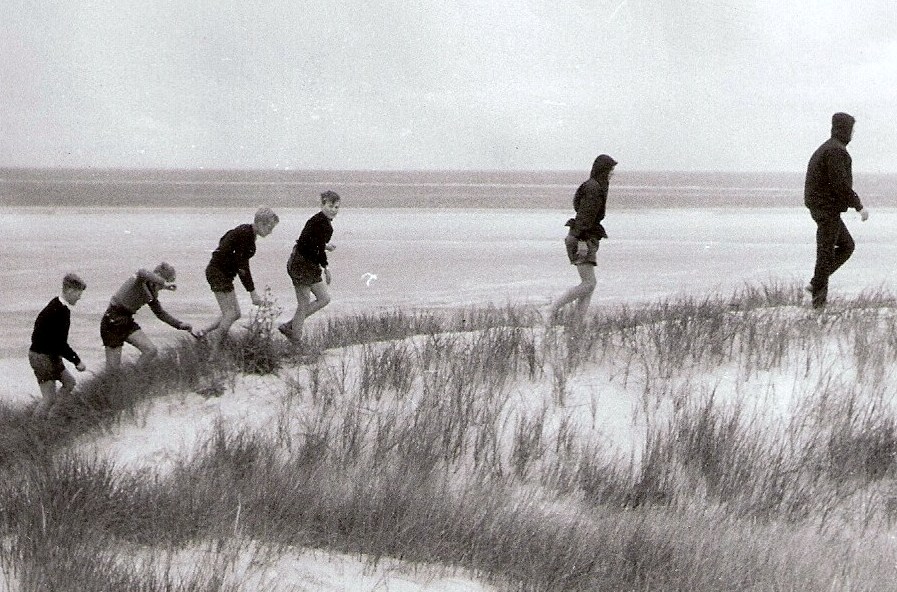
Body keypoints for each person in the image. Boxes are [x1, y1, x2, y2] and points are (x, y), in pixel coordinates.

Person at [804, 112, 869, 309]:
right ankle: (818, 304)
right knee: (825, 254)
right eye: (851, 130)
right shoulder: (835, 151)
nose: (853, 134)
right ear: (844, 129)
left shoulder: (829, 147)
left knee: (846, 246)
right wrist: (859, 206)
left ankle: (816, 283)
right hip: (826, 208)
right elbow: (839, 184)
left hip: (822, 207)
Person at [548, 154, 617, 325]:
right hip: (581, 237)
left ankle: (576, 323)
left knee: (589, 285)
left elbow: (578, 207)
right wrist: (581, 241)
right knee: (588, 283)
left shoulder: (595, 186)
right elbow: (584, 216)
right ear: (603, 170)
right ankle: (552, 309)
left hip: (585, 236)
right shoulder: (593, 188)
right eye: (610, 170)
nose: (612, 173)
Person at [199, 207, 279, 348]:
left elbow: (224, 241)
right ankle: (214, 351)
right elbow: (242, 266)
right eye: (270, 227)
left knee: (235, 313)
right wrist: (252, 293)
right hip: (218, 273)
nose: (271, 231)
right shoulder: (245, 234)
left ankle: (202, 333)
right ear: (260, 223)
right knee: (230, 314)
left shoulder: (245, 231)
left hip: (220, 273)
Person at [101, 263, 197, 370]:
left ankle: (135, 376)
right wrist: (164, 283)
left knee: (150, 350)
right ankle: (116, 380)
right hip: (112, 320)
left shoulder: (151, 293)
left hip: (127, 320)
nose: (161, 288)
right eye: (164, 281)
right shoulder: (141, 280)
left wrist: (179, 324)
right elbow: (141, 272)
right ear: (157, 276)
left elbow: (160, 313)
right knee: (113, 370)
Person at [279, 191, 340, 344]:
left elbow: (313, 243)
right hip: (300, 264)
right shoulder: (319, 222)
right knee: (303, 303)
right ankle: (296, 340)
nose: (333, 210)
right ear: (322, 205)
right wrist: (326, 268)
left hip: (310, 264)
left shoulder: (322, 222)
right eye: (330, 206)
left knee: (324, 298)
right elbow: (314, 247)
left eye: (336, 207)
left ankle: (290, 325)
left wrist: (325, 246)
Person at [28, 273, 87, 418]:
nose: (79, 297)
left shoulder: (58, 305)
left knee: (69, 383)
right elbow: (60, 343)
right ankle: (34, 426)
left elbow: (55, 342)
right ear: (70, 291)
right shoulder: (59, 311)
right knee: (48, 398)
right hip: (41, 357)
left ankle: (53, 417)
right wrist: (77, 361)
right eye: (78, 294)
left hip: (50, 355)